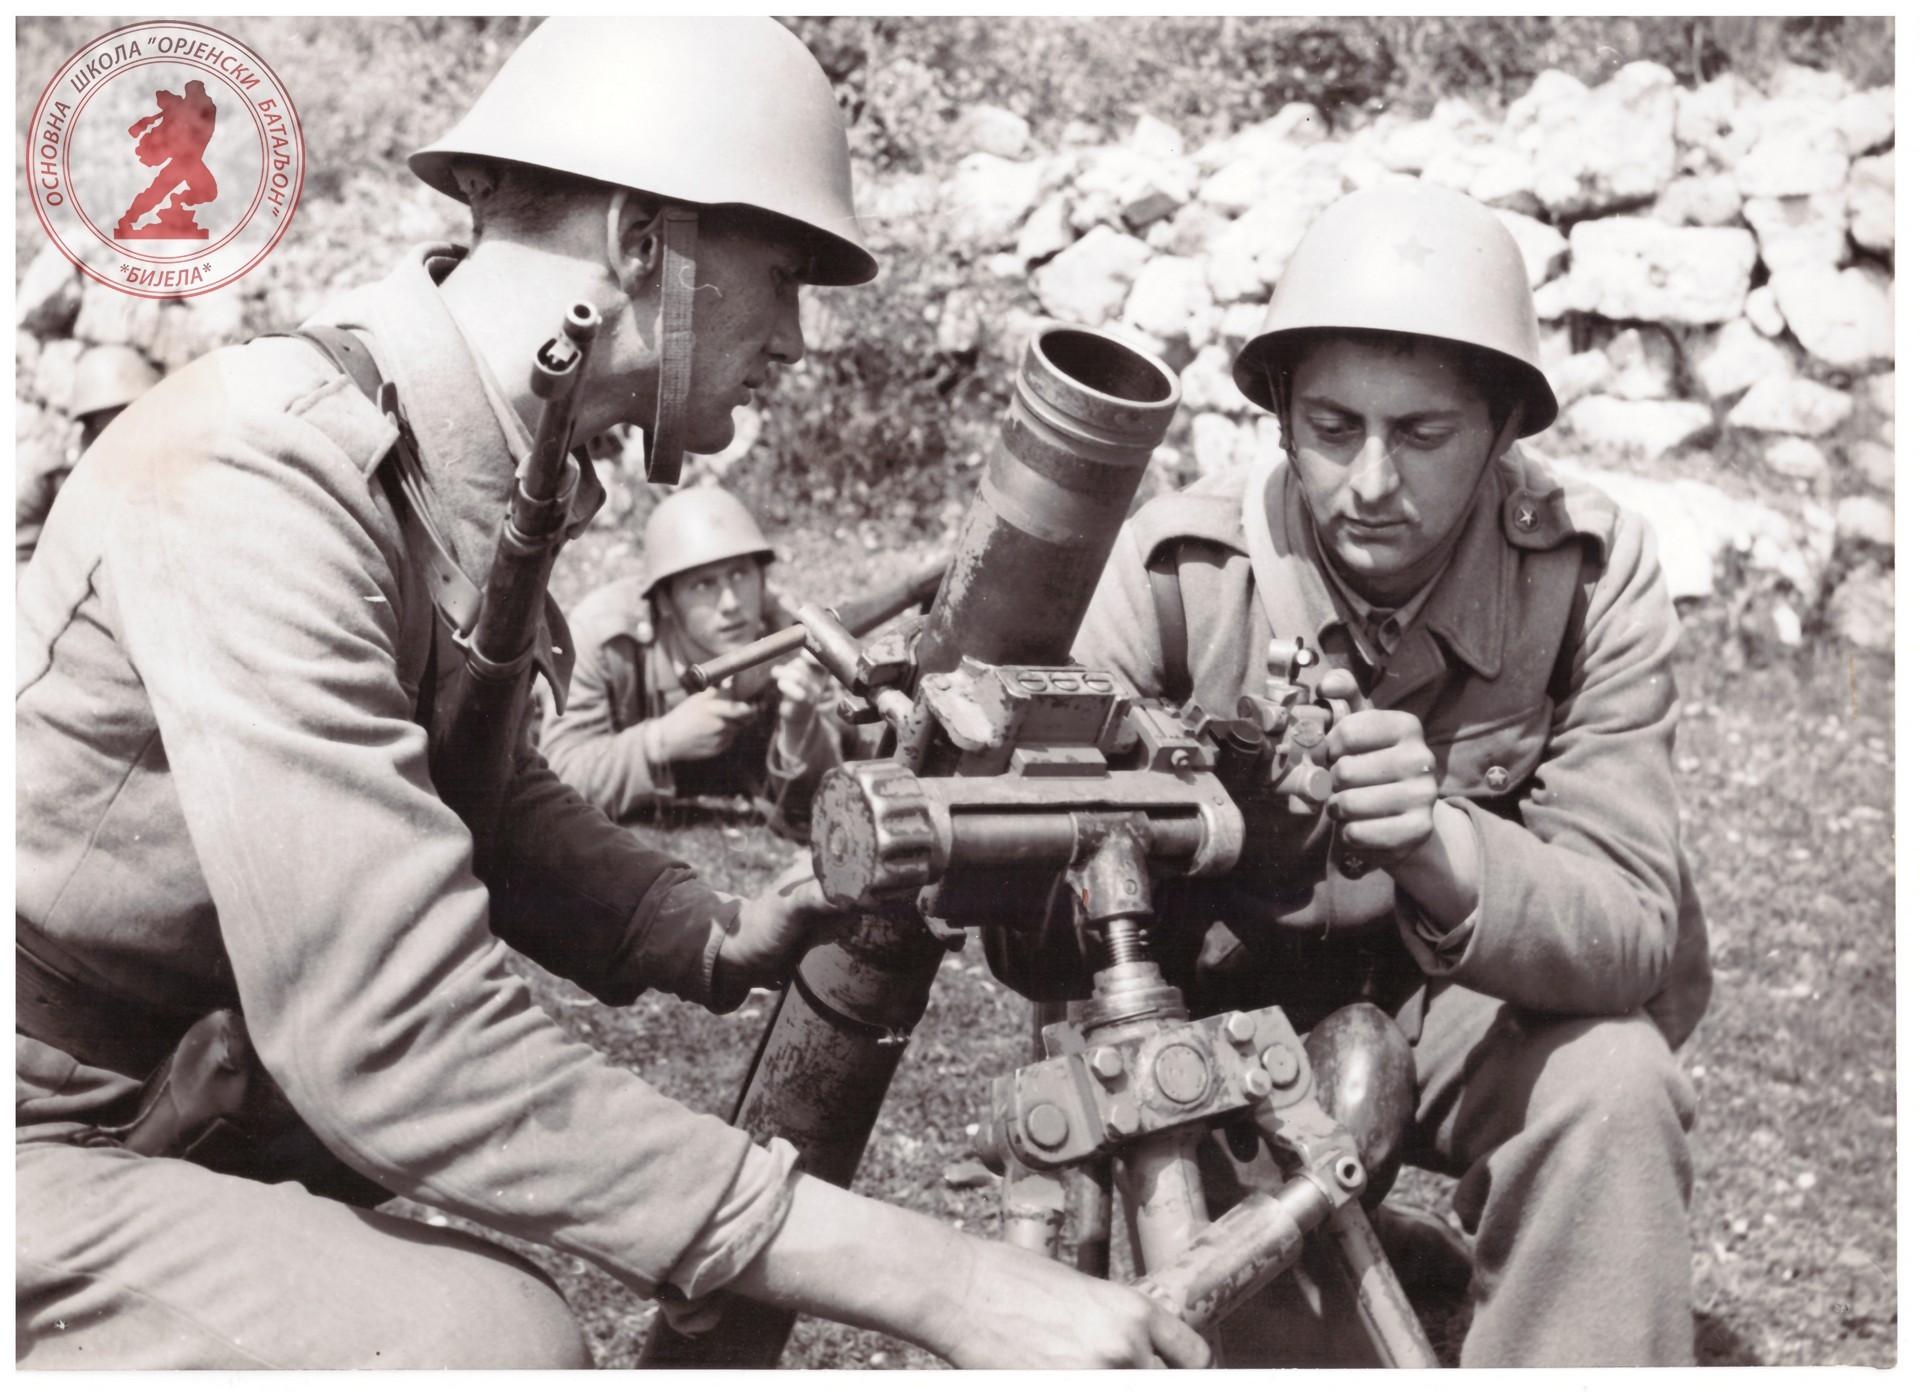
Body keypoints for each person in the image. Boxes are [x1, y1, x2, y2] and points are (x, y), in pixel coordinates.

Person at [15, 17, 1207, 1372]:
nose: (797, 339)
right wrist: (953, 1284)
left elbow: (466, 774)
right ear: (643, 240)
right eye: (783, 278)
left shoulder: (473, 468)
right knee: (488, 1345)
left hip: (193, 1087)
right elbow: (393, 1035)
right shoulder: (260, 477)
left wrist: (695, 927)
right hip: (49, 1125)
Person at [1073, 180, 1712, 1367]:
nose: (1371, 483)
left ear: (1504, 428)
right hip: (1220, 1019)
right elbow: (1035, 934)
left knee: (1614, 1088)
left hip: (1465, 1000)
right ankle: (1379, 1262)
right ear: (1279, 415)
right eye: (1333, 427)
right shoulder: (1173, 576)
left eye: (1422, 435)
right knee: (1281, 1325)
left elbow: (1632, 929)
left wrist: (1437, 842)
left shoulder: (1585, 578)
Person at [543, 486, 845, 836]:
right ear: (664, 601)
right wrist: (660, 741)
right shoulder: (604, 639)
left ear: (762, 579)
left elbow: (834, 797)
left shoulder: (790, 635)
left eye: (740, 575)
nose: (730, 603)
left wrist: (799, 729)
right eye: (703, 585)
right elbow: (559, 778)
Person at [16, 343, 161, 577]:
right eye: (110, 421)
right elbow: (16, 558)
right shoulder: (56, 477)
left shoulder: (179, 464)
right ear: (87, 426)